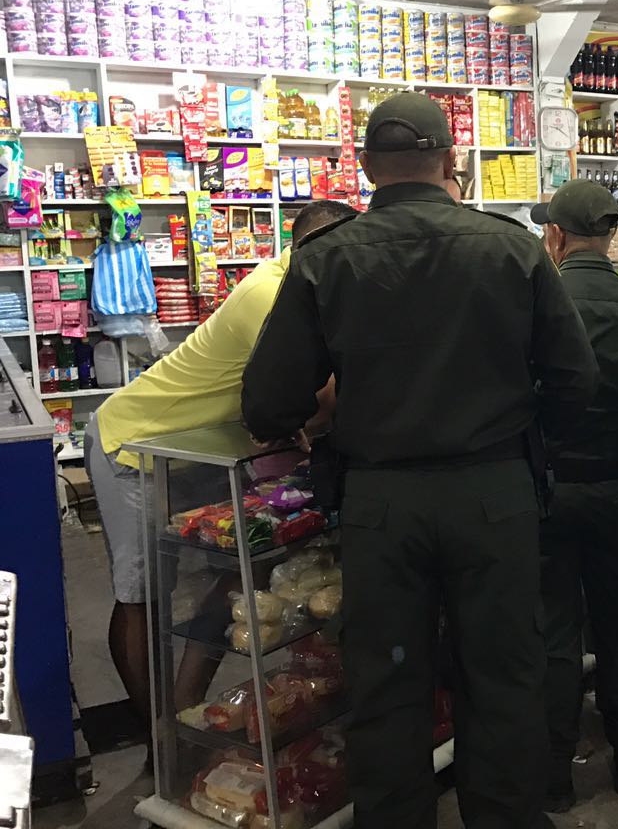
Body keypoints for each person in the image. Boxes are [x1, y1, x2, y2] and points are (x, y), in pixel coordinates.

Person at [241, 92, 599, 829]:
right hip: (495, 494)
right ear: (450, 160)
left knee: (387, 689)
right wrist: (531, 444)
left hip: (381, 504)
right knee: (503, 682)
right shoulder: (512, 248)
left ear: (367, 166)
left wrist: (320, 422)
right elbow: (576, 379)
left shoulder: (324, 257)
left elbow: (268, 400)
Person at [84, 199, 354, 728]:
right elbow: (320, 396)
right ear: (314, 249)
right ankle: (159, 734)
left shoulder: (314, 291)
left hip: (205, 451)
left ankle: (187, 709)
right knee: (144, 595)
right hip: (138, 446)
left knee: (234, 574)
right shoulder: (272, 293)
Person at [530, 179, 618, 810]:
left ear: (556, 236)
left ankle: (553, 777)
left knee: (554, 635)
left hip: (547, 493)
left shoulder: (535, 304)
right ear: (611, 236)